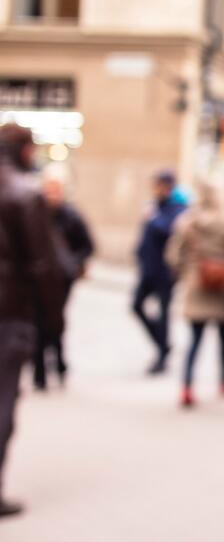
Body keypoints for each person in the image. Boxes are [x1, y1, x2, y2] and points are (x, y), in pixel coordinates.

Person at [0, 124, 64, 518]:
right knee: (3, 399)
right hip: (10, 314)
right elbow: (43, 265)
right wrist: (54, 320)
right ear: (23, 150)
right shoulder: (24, 194)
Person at [165, 179, 224, 408]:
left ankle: (187, 386)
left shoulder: (188, 221)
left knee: (194, 340)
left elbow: (173, 255)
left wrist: (187, 272)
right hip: (223, 284)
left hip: (196, 283)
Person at [33, 175, 94, 390]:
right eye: (48, 190)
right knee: (39, 323)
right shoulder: (34, 214)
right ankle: (40, 372)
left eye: (55, 191)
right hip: (39, 278)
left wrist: (72, 263)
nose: (51, 196)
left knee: (55, 322)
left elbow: (87, 245)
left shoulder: (71, 216)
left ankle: (59, 364)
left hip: (62, 279)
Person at [132, 169, 187, 375]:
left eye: (159, 185)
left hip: (165, 272)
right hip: (148, 269)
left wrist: (153, 218)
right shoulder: (155, 206)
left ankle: (162, 354)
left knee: (164, 314)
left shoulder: (178, 208)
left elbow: (168, 230)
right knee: (136, 305)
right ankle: (163, 343)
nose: (156, 189)